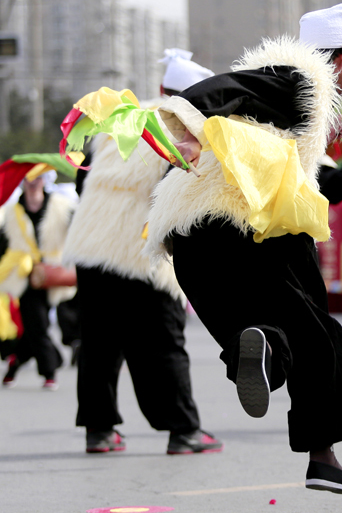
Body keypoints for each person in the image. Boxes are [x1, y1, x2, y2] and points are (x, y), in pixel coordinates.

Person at [144, 1, 342, 494]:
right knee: (320, 341)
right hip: (248, 223)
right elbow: (210, 91)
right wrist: (184, 125)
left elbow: (289, 162)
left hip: (190, 237)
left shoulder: (282, 107)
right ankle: (321, 454)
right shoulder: (300, 78)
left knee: (255, 327)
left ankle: (263, 352)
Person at [62, 50, 222, 455]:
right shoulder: (188, 132)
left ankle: (98, 431)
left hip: (91, 245)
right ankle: (184, 430)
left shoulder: (120, 121)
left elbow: (84, 183)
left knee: (98, 343)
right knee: (163, 341)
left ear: (161, 90)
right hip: (140, 251)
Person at [1, 172, 76, 389]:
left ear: (45, 181)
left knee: (35, 324)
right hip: (23, 275)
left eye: (38, 179)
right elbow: (3, 243)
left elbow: (77, 233)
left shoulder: (61, 207)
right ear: (22, 182)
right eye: (28, 179)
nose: (33, 184)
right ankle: (50, 370)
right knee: (37, 322)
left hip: (53, 274)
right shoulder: (12, 211)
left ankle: (17, 360)